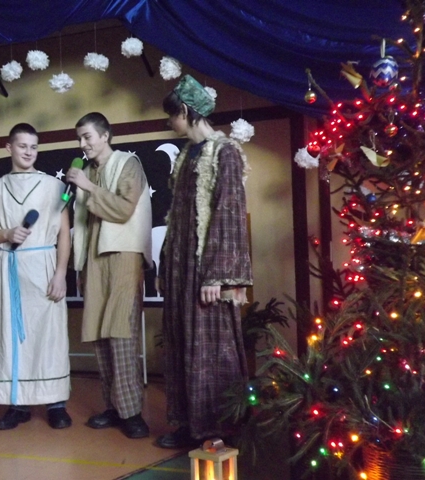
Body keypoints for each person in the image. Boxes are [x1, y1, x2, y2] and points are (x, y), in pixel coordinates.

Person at [156, 75, 253, 448]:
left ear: (185, 111)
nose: (170, 123)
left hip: (205, 269)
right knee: (182, 341)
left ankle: (217, 428)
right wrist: (166, 262)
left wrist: (217, 275)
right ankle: (187, 424)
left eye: (172, 116)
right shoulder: (186, 155)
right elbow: (176, 216)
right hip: (181, 267)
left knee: (211, 346)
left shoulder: (225, 152)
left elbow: (229, 212)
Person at [0, 123, 72, 430]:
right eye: (22, 146)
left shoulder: (54, 187)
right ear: (9, 148)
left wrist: (60, 273)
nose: (29, 152)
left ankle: (56, 404)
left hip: (44, 267)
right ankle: (17, 404)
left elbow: (64, 233)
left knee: (50, 336)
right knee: (11, 336)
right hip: (10, 271)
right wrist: (6, 233)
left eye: (33, 147)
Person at [66, 112, 152, 439]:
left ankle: (132, 413)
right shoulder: (87, 170)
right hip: (94, 259)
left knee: (121, 333)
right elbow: (82, 222)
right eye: (80, 138)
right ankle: (113, 407)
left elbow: (124, 209)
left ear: (105, 136)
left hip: (123, 257)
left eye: (87, 136)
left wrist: (88, 187)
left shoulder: (129, 164)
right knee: (100, 335)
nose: (82, 144)